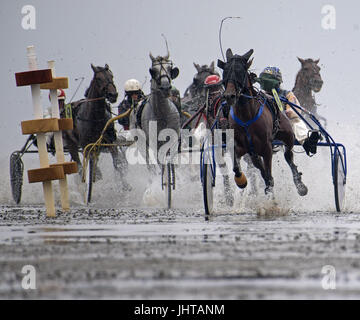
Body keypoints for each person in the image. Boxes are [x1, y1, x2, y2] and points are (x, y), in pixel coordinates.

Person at [257, 66, 321, 155]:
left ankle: (307, 141)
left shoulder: (287, 94)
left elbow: (296, 108)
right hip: (265, 124)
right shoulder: (258, 96)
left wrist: (289, 112)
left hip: (284, 124)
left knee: (295, 121)